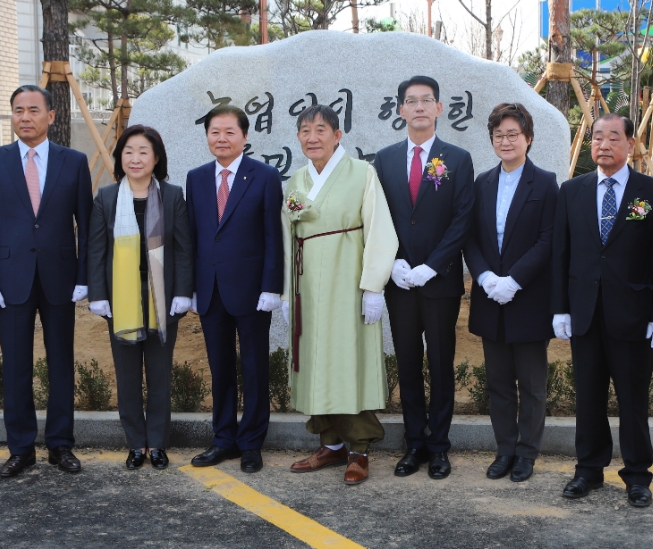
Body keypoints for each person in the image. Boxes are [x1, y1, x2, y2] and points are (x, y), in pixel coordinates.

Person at [551, 114, 653, 508]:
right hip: (585, 313)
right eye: (596, 137)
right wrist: (561, 309)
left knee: (633, 401)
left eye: (612, 137)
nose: (603, 144)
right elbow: (561, 255)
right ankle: (587, 470)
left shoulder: (650, 193)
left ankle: (637, 476)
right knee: (587, 398)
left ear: (630, 143)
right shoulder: (571, 191)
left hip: (634, 317)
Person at [0, 85, 93, 478]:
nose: (25, 117)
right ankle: (21, 448)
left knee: (61, 363)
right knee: (16, 366)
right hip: (11, 281)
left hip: (60, 278)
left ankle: (61, 445)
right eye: (18, 110)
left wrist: (83, 276)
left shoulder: (73, 162)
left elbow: (86, 224)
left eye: (33, 110)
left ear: (51, 116)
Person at [283, 105, 399, 485]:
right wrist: (287, 294)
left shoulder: (362, 174)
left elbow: (380, 230)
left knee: (346, 361)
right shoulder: (296, 180)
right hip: (307, 288)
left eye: (320, 129)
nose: (312, 137)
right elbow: (288, 240)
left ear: (338, 135)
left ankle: (359, 448)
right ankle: (330, 444)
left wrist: (373, 286)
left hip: (347, 279)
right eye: (305, 130)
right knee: (315, 361)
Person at [373, 75, 475, 480]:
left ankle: (439, 446)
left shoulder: (457, 159)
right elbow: (378, 217)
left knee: (440, 362)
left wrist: (432, 265)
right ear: (400, 110)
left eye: (426, 100)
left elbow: (462, 218)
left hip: (440, 281)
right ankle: (414, 442)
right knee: (408, 364)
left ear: (438, 109)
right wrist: (394, 262)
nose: (418, 107)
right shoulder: (384, 159)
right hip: (399, 282)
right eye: (410, 101)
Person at [87, 125, 193, 470]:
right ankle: (135, 443)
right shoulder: (105, 197)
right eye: (129, 151)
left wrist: (183, 293)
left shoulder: (173, 196)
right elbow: (96, 251)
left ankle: (158, 443)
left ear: (156, 158)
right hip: (121, 299)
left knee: (160, 375)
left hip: (163, 298)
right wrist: (99, 295)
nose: (135, 158)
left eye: (143, 151)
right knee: (128, 375)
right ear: (120, 157)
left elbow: (183, 250)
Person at [186, 105, 284, 474]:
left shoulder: (264, 176)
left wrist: (271, 286)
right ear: (207, 136)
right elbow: (193, 238)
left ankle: (252, 442)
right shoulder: (195, 178)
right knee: (221, 367)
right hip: (210, 290)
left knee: (254, 367)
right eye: (214, 131)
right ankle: (223, 439)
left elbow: (273, 236)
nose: (221, 138)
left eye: (229, 132)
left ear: (244, 136)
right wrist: (192, 287)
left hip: (252, 291)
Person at [463, 103, 558, 483]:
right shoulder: (482, 183)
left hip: (529, 298)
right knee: (499, 383)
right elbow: (470, 238)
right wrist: (485, 277)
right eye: (499, 135)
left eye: (512, 134)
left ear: (528, 139)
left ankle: (527, 454)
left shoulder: (545, 182)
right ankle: (504, 450)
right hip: (490, 297)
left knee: (532, 385)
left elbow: (547, 239)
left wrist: (514, 280)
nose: (506, 141)